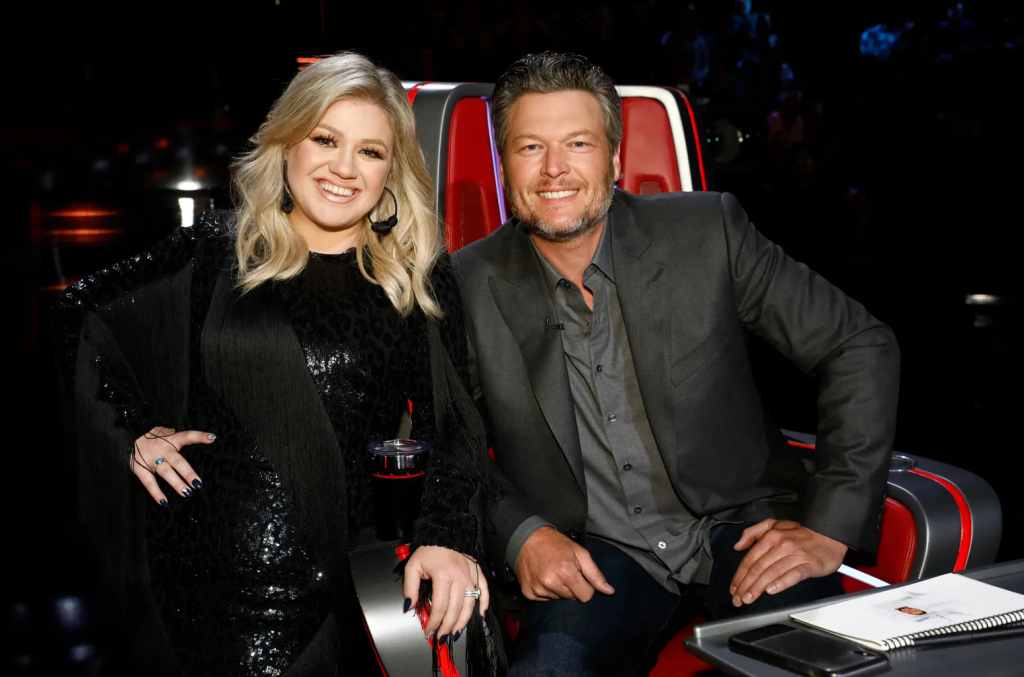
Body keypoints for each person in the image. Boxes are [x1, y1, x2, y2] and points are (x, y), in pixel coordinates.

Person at [54, 52, 504, 677]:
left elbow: (453, 426)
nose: (344, 168)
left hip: (347, 593)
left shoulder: (413, 276)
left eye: (370, 151)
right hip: (199, 593)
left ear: (391, 169)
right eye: (325, 139)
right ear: (287, 142)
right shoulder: (215, 250)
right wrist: (134, 432)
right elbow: (79, 318)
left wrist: (444, 535)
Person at [452, 52, 900, 676]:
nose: (554, 168)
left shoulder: (708, 231)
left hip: (744, 529)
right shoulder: (464, 283)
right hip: (591, 554)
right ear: (504, 166)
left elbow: (858, 343)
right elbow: (447, 439)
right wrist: (520, 533)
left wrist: (830, 526)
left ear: (614, 159)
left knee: (806, 668)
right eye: (530, 147)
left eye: (578, 143)